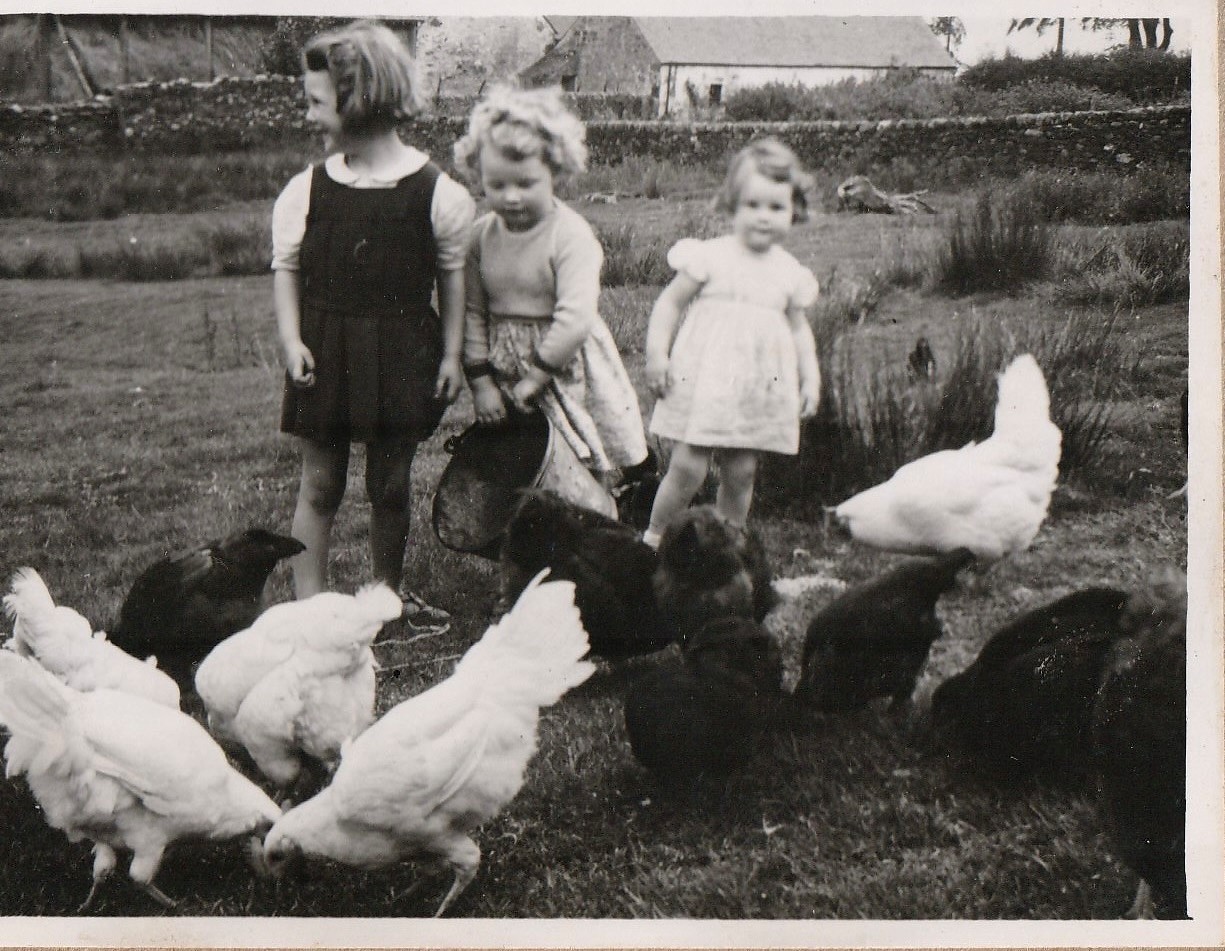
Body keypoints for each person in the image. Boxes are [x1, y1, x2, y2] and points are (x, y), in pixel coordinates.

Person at [271, 19, 475, 624]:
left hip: (401, 347)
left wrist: (451, 354)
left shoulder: (437, 192)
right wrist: (290, 339)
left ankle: (386, 596)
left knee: (390, 484)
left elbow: (451, 275)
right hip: (327, 347)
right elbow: (285, 267)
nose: (308, 115)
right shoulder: (306, 189)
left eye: (315, 101)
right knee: (322, 482)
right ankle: (310, 605)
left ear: (357, 96)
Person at [452, 84, 648, 484]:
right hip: (506, 365)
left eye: (526, 183)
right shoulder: (478, 239)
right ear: (479, 176)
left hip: (565, 364)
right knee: (527, 466)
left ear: (555, 171)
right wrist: (481, 383)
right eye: (496, 185)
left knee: (587, 458)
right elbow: (471, 312)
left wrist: (537, 377)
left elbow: (576, 317)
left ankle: (610, 507)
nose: (510, 197)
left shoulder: (570, 236)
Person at [640, 137, 821, 548]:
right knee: (689, 466)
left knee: (741, 471)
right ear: (733, 205)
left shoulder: (789, 273)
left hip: (755, 387)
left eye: (775, 207)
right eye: (752, 205)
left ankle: (725, 547)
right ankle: (653, 538)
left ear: (794, 211)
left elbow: (799, 331)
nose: (762, 217)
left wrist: (809, 380)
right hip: (707, 380)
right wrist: (656, 354)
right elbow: (669, 303)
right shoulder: (711, 257)